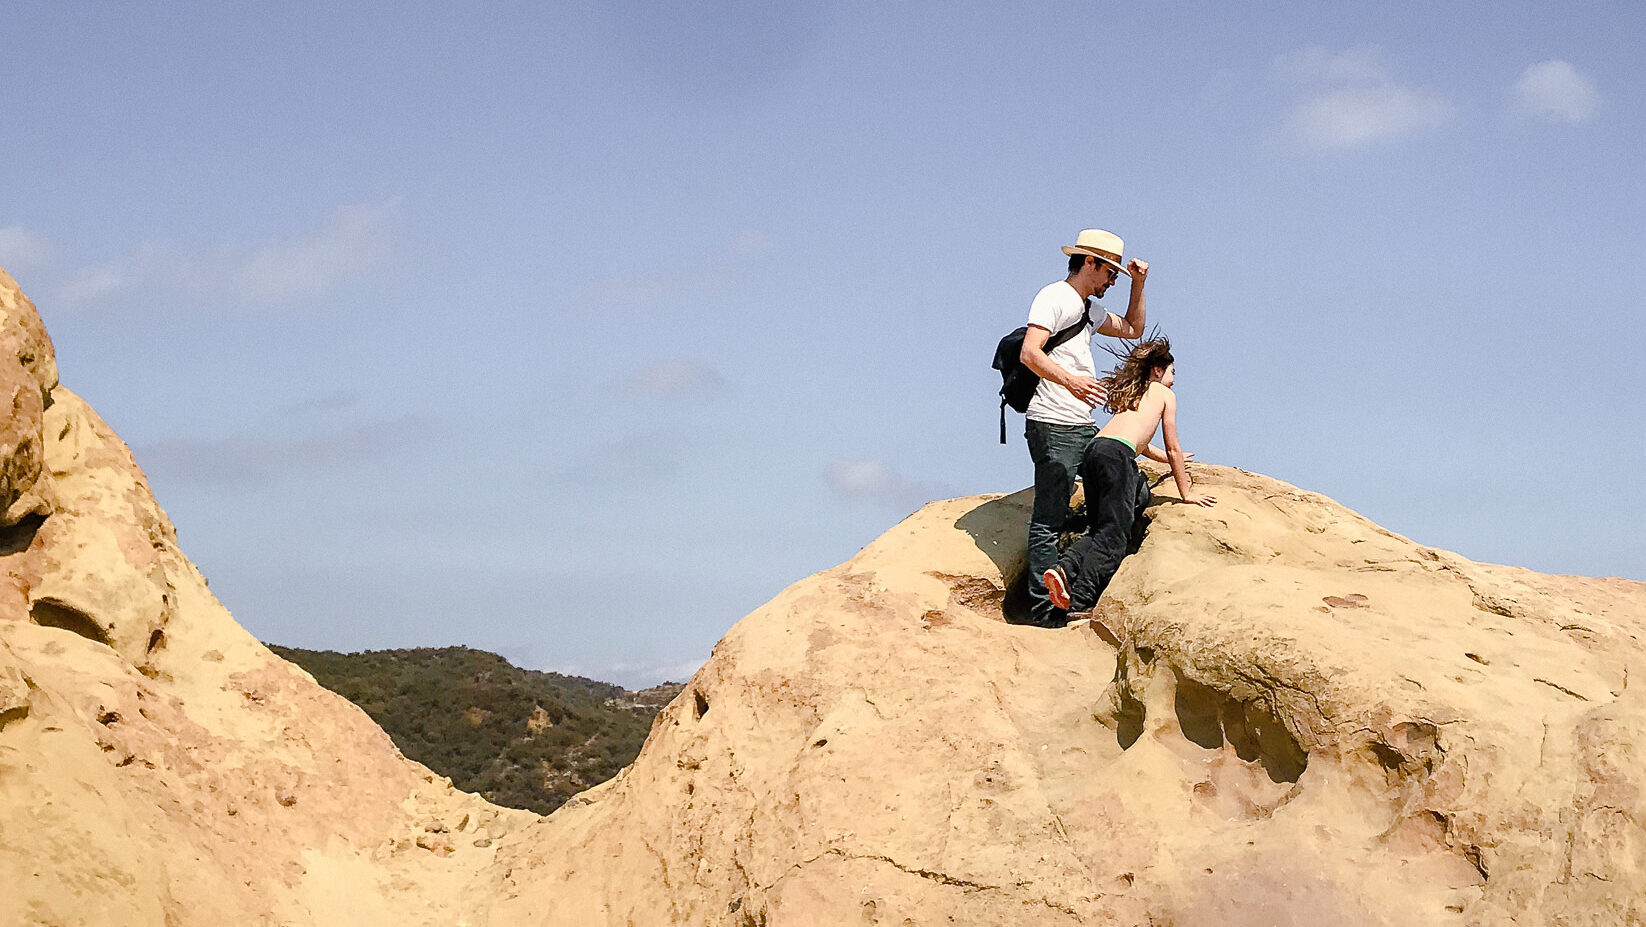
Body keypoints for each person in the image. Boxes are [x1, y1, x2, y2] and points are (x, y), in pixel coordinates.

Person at [1019, 229, 1149, 626]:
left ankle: (1069, 571)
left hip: (1082, 424)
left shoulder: (1088, 310)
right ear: (1088, 263)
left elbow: (1132, 329)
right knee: (1049, 519)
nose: (1113, 280)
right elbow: (1029, 352)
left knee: (1134, 492)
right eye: (1110, 272)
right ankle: (1045, 612)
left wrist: (1139, 285)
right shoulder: (1054, 297)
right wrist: (1071, 381)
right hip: (1052, 422)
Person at [1043, 338, 1215, 615]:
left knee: (1100, 529)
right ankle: (1081, 603)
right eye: (1172, 373)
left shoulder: (1135, 393)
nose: (1173, 381)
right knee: (1114, 537)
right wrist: (1187, 492)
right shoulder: (1163, 393)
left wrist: (1174, 461)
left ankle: (1064, 568)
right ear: (1158, 370)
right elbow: (1172, 446)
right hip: (1116, 457)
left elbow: (1140, 442)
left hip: (1095, 451)